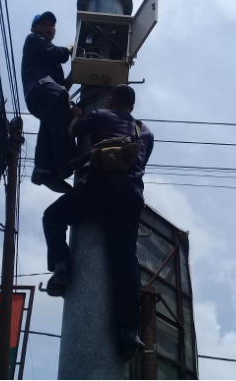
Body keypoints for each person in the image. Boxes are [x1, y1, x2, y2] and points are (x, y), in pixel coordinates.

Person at [42, 84, 155, 358]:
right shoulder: (146, 132)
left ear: (112, 99)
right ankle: (129, 332)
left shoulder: (102, 115)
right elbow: (141, 160)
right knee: (125, 261)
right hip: (130, 196)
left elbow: (73, 132)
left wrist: (80, 114)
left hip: (99, 186)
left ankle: (61, 268)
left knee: (54, 216)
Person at [21, 11, 75, 193]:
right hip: (41, 90)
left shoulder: (48, 61)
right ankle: (65, 161)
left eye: (52, 25)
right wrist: (71, 47)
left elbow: (63, 87)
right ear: (34, 28)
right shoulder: (33, 40)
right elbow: (60, 53)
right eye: (45, 24)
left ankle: (44, 170)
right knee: (61, 107)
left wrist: (77, 72)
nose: (50, 27)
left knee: (50, 121)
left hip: (44, 94)